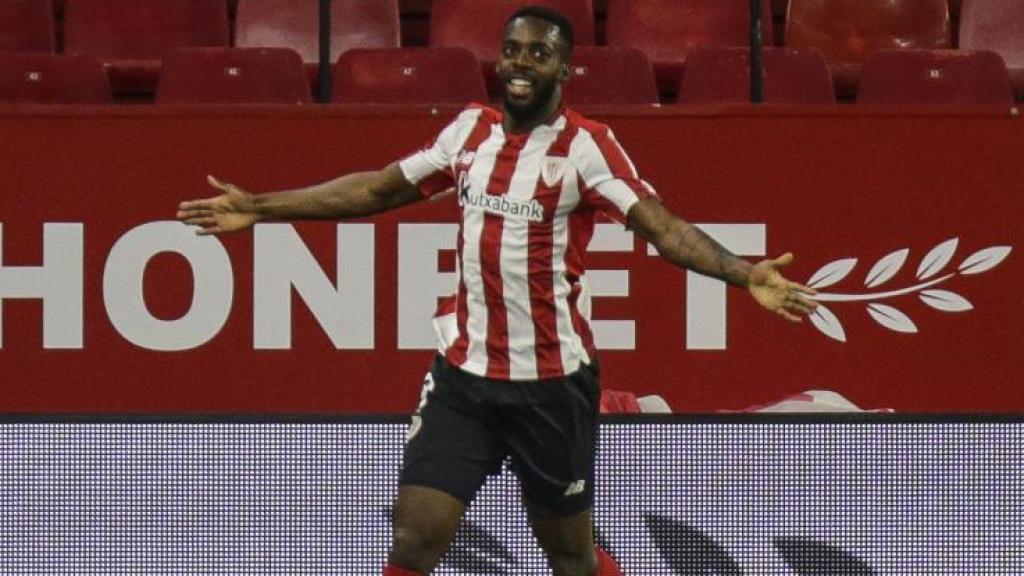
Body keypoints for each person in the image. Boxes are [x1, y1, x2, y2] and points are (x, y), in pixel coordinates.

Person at [177, 6, 818, 575]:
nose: (520, 63)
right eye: (512, 50)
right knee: (415, 536)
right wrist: (260, 207)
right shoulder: (468, 132)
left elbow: (665, 230)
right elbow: (377, 189)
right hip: (465, 378)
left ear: (564, 70)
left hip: (551, 385)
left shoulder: (587, 149)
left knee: (569, 554)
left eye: (539, 54)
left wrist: (744, 273)